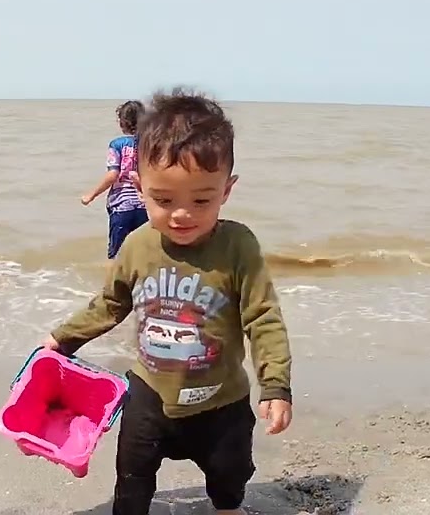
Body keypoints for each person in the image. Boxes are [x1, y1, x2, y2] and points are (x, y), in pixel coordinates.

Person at [47, 88, 293, 515]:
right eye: (163, 200)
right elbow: (110, 304)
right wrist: (62, 339)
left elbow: (262, 316)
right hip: (150, 394)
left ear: (226, 190)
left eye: (201, 200)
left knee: (229, 477)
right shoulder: (137, 245)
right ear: (139, 186)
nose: (181, 214)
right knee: (131, 478)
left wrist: (276, 384)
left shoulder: (238, 245)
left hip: (221, 400)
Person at [80, 100, 149, 259]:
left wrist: (91, 195)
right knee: (142, 254)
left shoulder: (117, 144)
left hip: (121, 206)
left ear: (122, 123)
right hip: (144, 206)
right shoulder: (149, 145)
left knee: (117, 255)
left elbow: (113, 175)